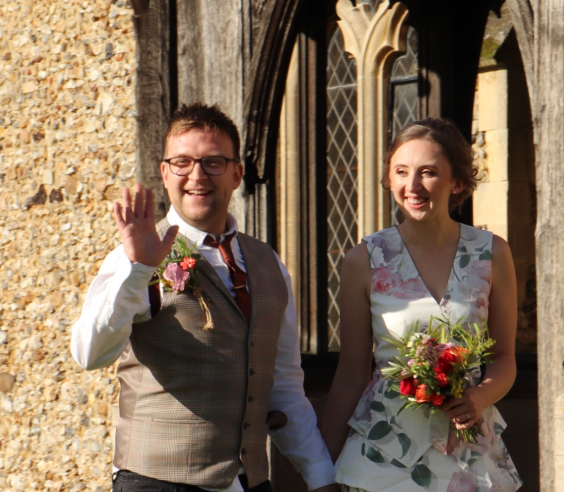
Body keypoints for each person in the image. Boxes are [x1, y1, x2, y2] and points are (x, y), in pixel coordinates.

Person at [71, 102, 339, 492]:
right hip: (157, 482)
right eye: (182, 162)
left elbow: (282, 386)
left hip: (250, 482)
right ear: (165, 173)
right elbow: (90, 353)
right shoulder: (133, 257)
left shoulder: (269, 263)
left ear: (236, 174)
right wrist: (138, 270)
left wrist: (321, 477)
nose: (197, 175)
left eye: (213, 162)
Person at [321, 119, 522, 491]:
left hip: (469, 456)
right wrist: (320, 472)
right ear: (389, 179)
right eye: (401, 172)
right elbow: (350, 376)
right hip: (382, 457)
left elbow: (504, 359)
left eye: (428, 173)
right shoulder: (363, 260)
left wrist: (478, 396)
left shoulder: (491, 252)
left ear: (457, 183)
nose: (412, 186)